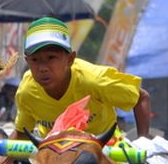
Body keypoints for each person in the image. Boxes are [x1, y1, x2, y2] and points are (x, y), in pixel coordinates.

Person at [14, 16, 148, 138]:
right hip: (53, 152)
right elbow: (21, 132)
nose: (43, 68)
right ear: (27, 61)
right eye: (35, 60)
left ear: (70, 59)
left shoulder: (94, 81)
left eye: (51, 57)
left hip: (104, 150)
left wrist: (143, 141)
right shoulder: (27, 92)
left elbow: (141, 97)